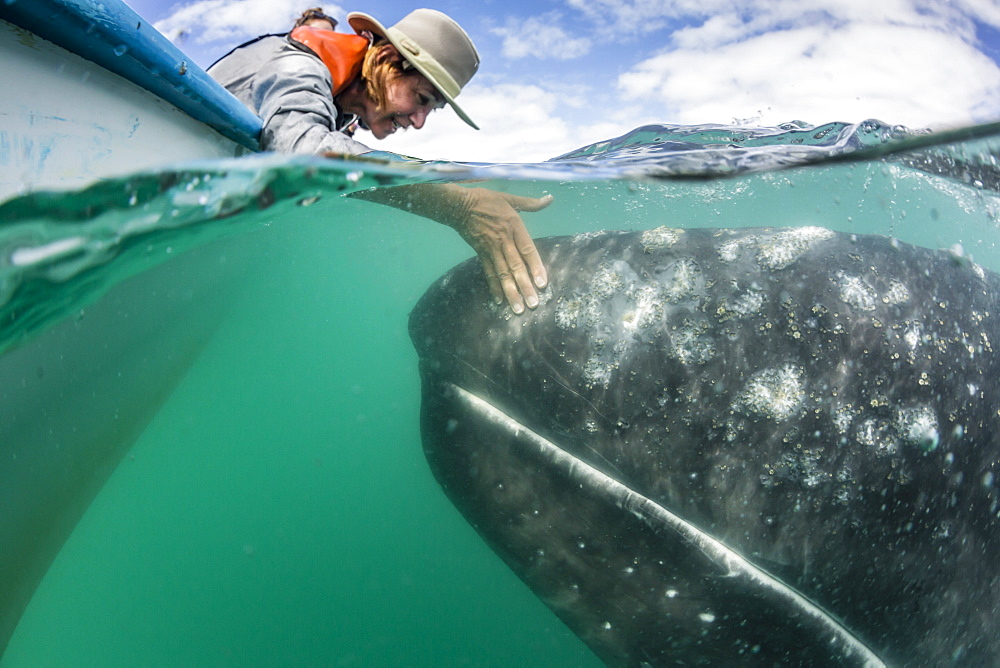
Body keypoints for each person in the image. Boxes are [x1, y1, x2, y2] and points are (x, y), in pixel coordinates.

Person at [208, 8, 550, 314]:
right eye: (421, 98)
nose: (419, 121)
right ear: (386, 57)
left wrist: (435, 177)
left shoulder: (338, 104)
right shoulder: (298, 64)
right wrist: (457, 206)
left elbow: (335, 153)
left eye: (432, 110)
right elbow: (301, 149)